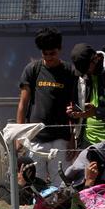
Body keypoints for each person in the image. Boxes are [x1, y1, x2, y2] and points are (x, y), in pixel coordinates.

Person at [15, 28, 78, 186]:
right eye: (45, 54)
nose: (49, 57)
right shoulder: (32, 70)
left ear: (59, 50)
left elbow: (74, 108)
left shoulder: (69, 71)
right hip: (36, 138)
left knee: (62, 182)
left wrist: (72, 140)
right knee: (37, 182)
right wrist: (19, 135)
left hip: (61, 138)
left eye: (53, 53)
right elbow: (23, 103)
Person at [67, 43, 105, 149]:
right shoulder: (82, 77)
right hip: (85, 141)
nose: (85, 73)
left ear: (95, 59)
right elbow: (80, 106)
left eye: (86, 68)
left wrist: (96, 112)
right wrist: (76, 112)